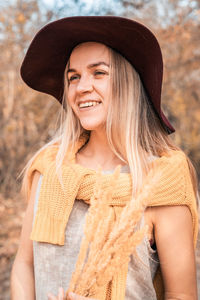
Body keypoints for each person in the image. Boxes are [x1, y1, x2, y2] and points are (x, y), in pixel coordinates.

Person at [10, 16, 199, 300]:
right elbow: (25, 265)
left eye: (98, 73)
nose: (81, 87)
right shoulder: (50, 168)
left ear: (128, 82)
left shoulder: (162, 180)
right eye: (73, 77)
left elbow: (181, 295)